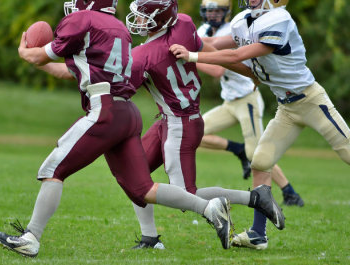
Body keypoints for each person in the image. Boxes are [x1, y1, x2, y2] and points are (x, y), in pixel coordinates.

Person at [0, 0, 236, 257]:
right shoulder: (118, 28)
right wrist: (39, 60)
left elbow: (40, 55)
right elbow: (74, 69)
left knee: (53, 169)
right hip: (127, 113)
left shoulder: (82, 20)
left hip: (103, 109)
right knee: (143, 189)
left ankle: (31, 237)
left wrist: (25, 51)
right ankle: (210, 209)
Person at [170, 0, 350, 250]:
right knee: (261, 162)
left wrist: (191, 56)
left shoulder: (279, 19)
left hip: (310, 100)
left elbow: (236, 55)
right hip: (286, 107)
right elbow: (213, 44)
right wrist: (174, 35)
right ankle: (258, 234)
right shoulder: (243, 21)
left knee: (347, 151)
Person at [125, 0, 284, 250]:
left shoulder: (142, 56)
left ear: (160, 17)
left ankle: (255, 197)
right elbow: (213, 54)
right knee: (133, 174)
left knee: (184, 196)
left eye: (144, 17)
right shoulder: (184, 25)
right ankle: (149, 238)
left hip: (180, 124)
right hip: (176, 120)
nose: (139, 22)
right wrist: (248, 72)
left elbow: (114, 84)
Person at [196, 0, 304, 207]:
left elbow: (218, 69)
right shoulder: (204, 30)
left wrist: (192, 57)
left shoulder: (234, 29)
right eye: (209, 11)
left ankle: (290, 192)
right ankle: (237, 149)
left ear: (227, 12)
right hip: (229, 102)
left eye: (217, 11)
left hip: (247, 100)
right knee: (195, 132)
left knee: (255, 153)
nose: (212, 15)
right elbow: (201, 43)